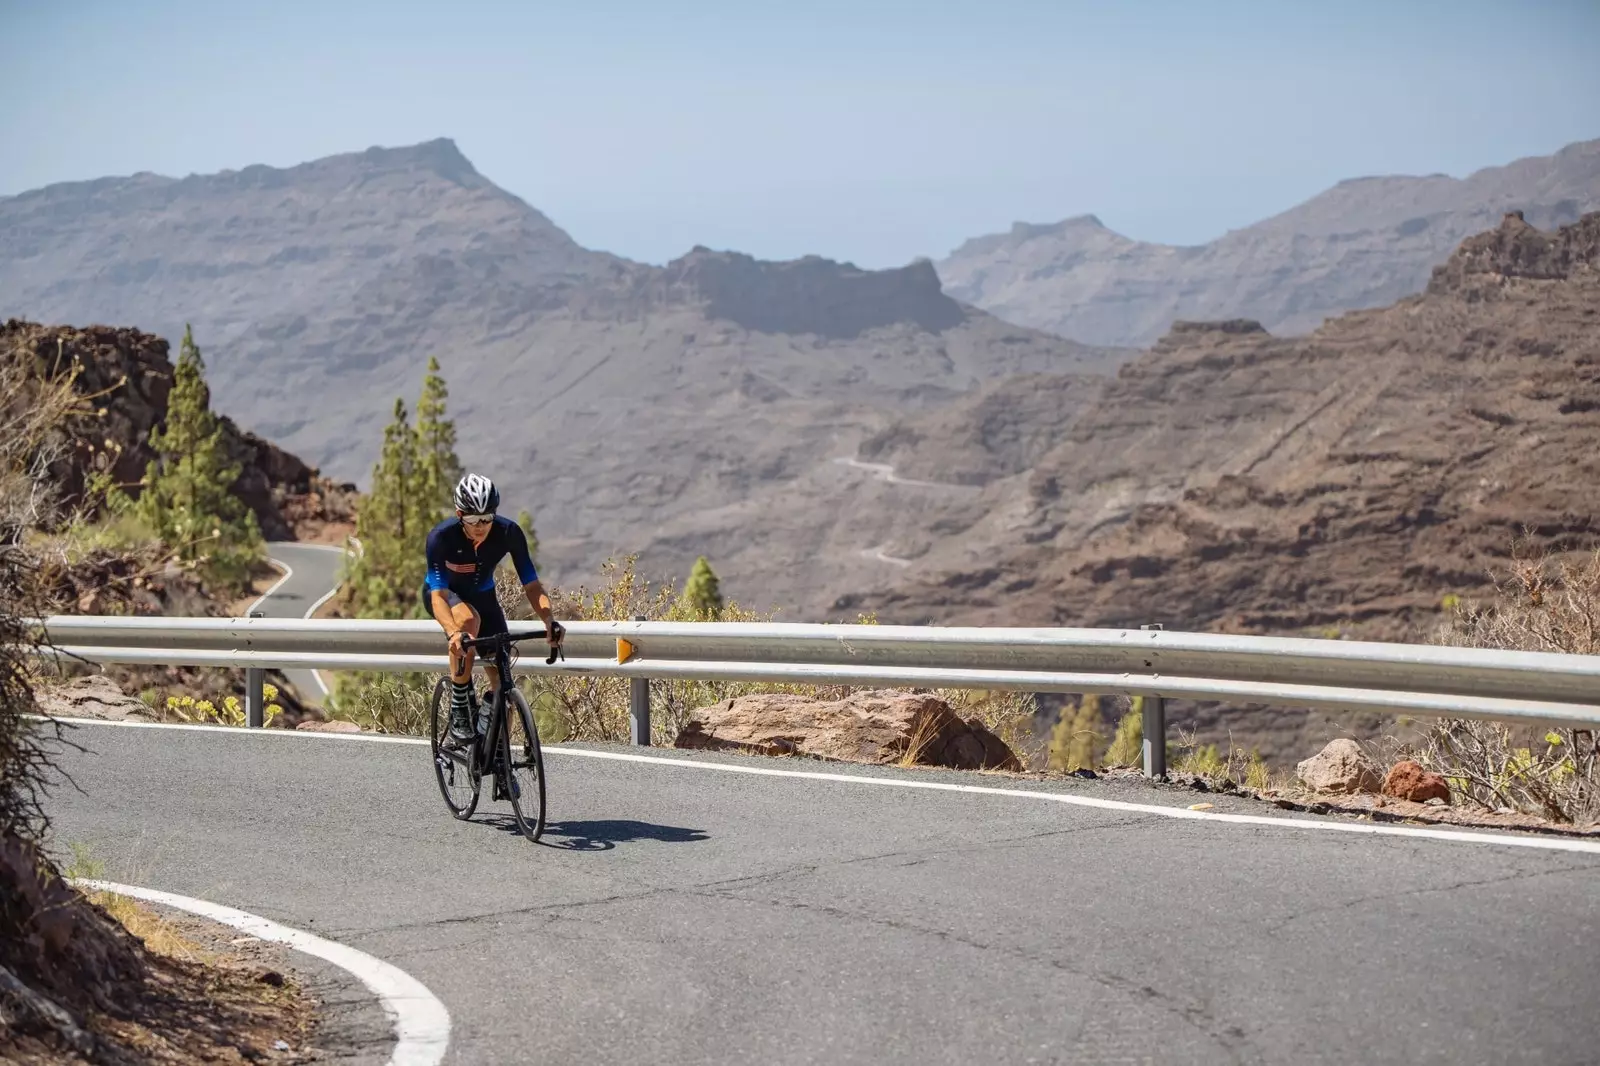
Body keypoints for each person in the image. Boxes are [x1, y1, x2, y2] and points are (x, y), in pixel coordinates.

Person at [422, 473, 563, 747]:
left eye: (487, 518)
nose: (481, 526)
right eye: (473, 520)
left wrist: (549, 619)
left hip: (483, 596)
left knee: (504, 684)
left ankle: (500, 757)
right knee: (467, 620)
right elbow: (438, 595)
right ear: (459, 514)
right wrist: (452, 633)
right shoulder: (441, 537)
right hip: (443, 595)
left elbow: (532, 586)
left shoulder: (508, 532)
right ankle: (460, 704)